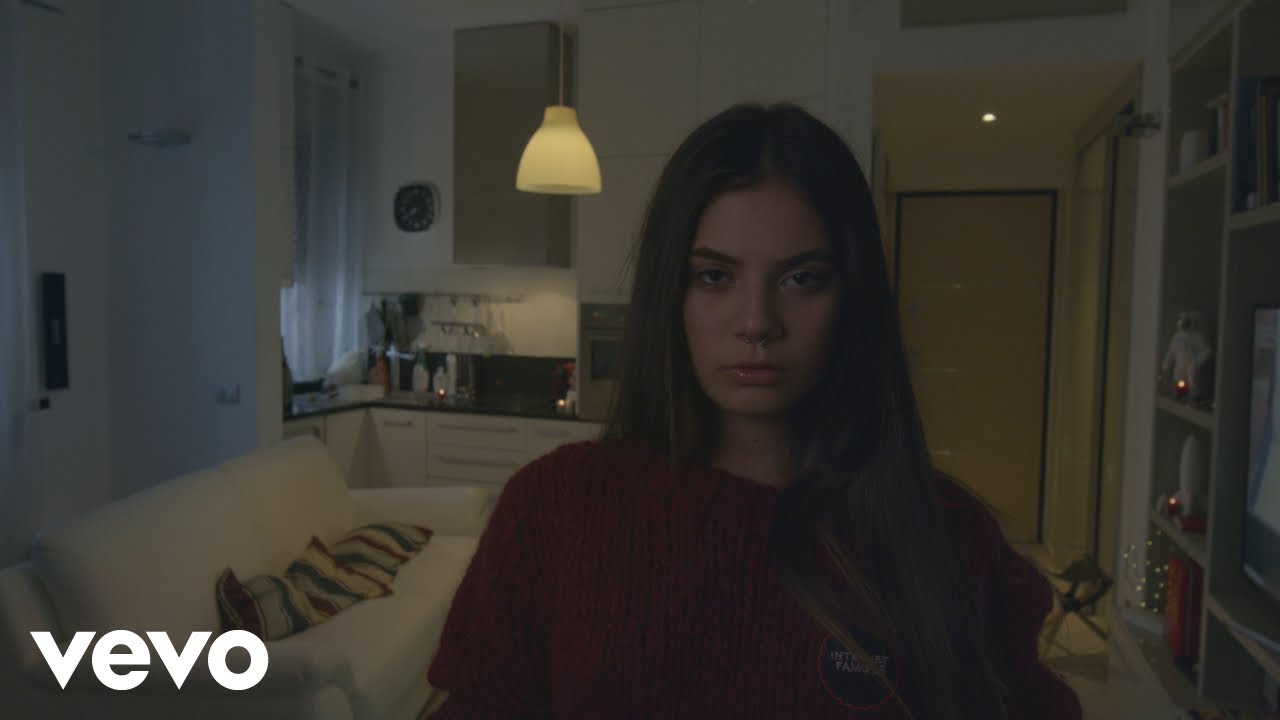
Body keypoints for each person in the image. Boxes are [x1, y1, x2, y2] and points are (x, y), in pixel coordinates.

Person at [425, 103, 1081, 719]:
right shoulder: (555, 508)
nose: (757, 322)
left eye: (801, 278)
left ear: (851, 296)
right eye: (715, 276)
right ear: (671, 292)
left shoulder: (947, 536)